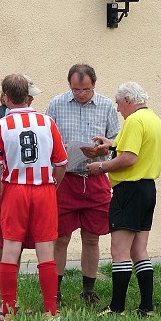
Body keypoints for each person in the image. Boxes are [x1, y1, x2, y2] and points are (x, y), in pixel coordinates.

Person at [0, 73, 68, 321]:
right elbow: (62, 162)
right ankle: (51, 312)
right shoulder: (47, 122)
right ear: (30, 97)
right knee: (46, 249)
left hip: (14, 189)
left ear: (6, 97)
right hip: (43, 188)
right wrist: (52, 188)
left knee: (10, 247)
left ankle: (8, 311)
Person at [85, 81, 161, 317]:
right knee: (139, 249)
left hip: (129, 189)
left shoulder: (133, 121)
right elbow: (134, 148)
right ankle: (147, 307)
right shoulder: (153, 119)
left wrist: (101, 166)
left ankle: (117, 307)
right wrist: (111, 145)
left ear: (128, 100)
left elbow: (129, 158)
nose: (118, 109)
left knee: (119, 250)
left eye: (119, 103)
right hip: (148, 188)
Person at [45, 64, 121, 307]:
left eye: (85, 90)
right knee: (61, 238)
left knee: (92, 238)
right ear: (70, 86)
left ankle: (88, 290)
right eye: (75, 90)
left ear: (94, 86)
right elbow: (47, 139)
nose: (80, 94)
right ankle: (55, 292)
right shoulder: (56, 104)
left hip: (95, 178)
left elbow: (117, 142)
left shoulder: (107, 105)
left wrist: (103, 149)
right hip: (65, 179)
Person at [0, 75, 41, 321]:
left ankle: (10, 301)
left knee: (15, 246)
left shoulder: (30, 118)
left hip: (24, 190)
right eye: (29, 94)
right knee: (0, 245)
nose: (32, 99)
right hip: (3, 190)